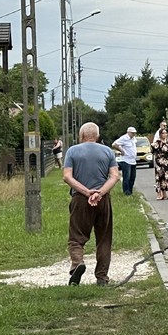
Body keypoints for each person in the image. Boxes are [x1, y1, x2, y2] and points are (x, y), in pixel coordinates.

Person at [62, 122, 119, 286]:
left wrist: (87, 192)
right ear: (98, 136)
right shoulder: (108, 151)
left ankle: (77, 264)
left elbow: (67, 176)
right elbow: (115, 176)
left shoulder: (72, 151)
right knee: (104, 239)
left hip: (80, 199)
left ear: (81, 136)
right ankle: (102, 277)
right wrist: (99, 193)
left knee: (76, 238)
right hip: (103, 200)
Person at [111, 126, 139, 196]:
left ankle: (130, 191)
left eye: (134, 133)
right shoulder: (124, 138)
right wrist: (121, 150)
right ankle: (126, 192)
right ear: (128, 132)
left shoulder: (133, 139)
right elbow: (114, 144)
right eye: (132, 133)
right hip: (126, 160)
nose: (133, 134)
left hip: (133, 160)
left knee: (133, 177)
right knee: (127, 177)